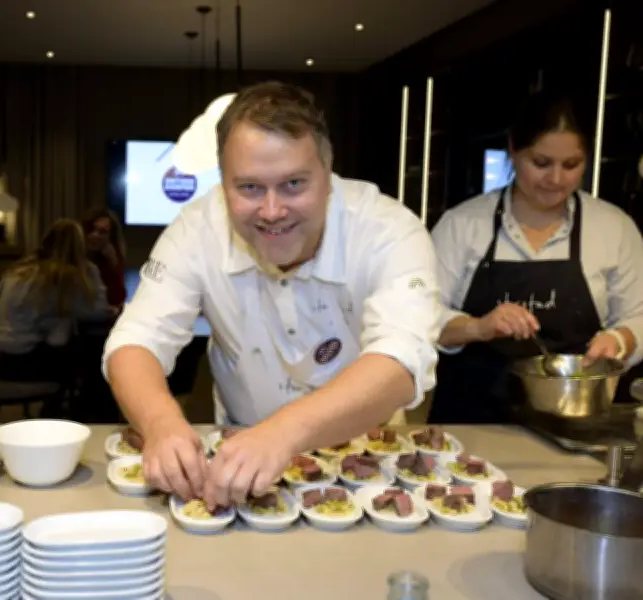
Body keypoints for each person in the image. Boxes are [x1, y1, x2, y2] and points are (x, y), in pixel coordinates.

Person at [103, 81, 442, 509]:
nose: (272, 210)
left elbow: (402, 359)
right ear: (222, 181)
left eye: (294, 184)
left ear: (328, 171)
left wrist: (284, 432)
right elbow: (135, 339)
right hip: (235, 455)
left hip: (366, 457)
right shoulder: (196, 228)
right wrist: (160, 423)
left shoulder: (389, 229)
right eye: (248, 188)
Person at [430, 91, 643, 424]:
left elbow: (639, 315)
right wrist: (478, 327)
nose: (556, 179)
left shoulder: (614, 228)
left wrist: (620, 339)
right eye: (541, 163)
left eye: (571, 165)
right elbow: (422, 313)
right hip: (470, 424)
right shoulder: (462, 225)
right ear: (513, 150)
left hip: (575, 424)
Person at [0, 219, 111, 384]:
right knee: (97, 353)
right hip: (19, 361)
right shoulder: (61, 277)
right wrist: (91, 270)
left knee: (69, 341)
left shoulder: (20, 269)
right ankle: (89, 408)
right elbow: (97, 311)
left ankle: (57, 405)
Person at [82, 207, 127, 313]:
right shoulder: (74, 256)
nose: (95, 235)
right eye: (91, 229)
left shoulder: (109, 259)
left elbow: (117, 299)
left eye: (102, 232)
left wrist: (113, 264)